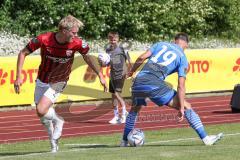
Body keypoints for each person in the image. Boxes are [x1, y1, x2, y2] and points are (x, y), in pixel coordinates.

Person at [13, 15, 107, 153]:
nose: (76, 35)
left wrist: (100, 75)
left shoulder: (77, 43)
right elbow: (23, 53)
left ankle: (59, 120)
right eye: (74, 33)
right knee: (43, 116)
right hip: (42, 79)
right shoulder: (44, 39)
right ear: (64, 31)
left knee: (41, 109)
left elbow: (88, 57)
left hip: (59, 80)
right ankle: (53, 144)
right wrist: (18, 76)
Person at [120, 32, 223, 146]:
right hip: (154, 83)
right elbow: (181, 85)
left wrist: (131, 71)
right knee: (187, 106)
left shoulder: (160, 44)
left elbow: (141, 57)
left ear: (174, 41)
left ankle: (124, 141)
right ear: (186, 45)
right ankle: (206, 139)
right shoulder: (183, 58)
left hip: (138, 81)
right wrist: (181, 108)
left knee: (134, 110)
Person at [102, 32, 132, 124]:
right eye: (111, 39)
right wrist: (104, 62)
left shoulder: (123, 49)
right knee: (113, 95)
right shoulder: (108, 49)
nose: (113, 41)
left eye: (114, 39)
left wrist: (130, 71)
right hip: (112, 74)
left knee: (117, 94)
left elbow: (130, 61)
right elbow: (108, 63)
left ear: (118, 39)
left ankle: (124, 113)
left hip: (121, 74)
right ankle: (116, 116)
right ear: (109, 39)